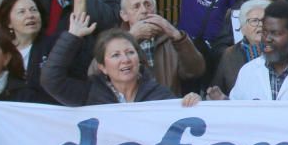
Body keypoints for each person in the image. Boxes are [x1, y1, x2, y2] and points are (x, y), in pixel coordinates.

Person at [41, 14, 194, 106]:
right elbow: (51, 81)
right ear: (102, 67)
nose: (125, 59)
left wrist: (192, 103)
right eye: (115, 55)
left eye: (130, 52)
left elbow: (180, 117)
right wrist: (71, 37)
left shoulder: (157, 94)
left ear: (139, 59)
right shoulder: (90, 93)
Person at [117, 0, 206, 95]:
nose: (144, 10)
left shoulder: (170, 38)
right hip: (131, 108)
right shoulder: (113, 40)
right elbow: (95, 73)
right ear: (124, 15)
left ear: (155, 10)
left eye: (148, 5)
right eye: (136, 6)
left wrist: (177, 36)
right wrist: (131, 39)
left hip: (166, 107)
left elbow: (195, 71)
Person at [0, 0, 57, 103]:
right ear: (9, 22)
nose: (30, 15)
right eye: (21, 12)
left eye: (34, 10)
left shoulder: (53, 44)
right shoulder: (2, 50)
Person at [210, 0, 267, 96]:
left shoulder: (280, 52)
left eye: (264, 20)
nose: (260, 25)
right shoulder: (229, 54)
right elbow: (218, 89)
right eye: (254, 21)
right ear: (242, 27)